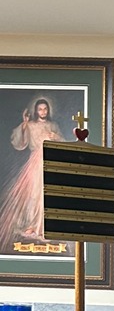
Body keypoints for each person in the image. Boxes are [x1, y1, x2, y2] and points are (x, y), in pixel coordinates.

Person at [0, 98, 65, 244]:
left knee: (47, 193)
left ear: (48, 110)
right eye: (40, 109)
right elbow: (18, 141)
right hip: (35, 161)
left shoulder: (53, 125)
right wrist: (24, 125)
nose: (43, 111)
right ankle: (31, 224)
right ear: (36, 111)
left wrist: (56, 137)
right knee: (34, 194)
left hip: (50, 160)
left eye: (45, 109)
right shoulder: (30, 125)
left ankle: (45, 227)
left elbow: (63, 142)